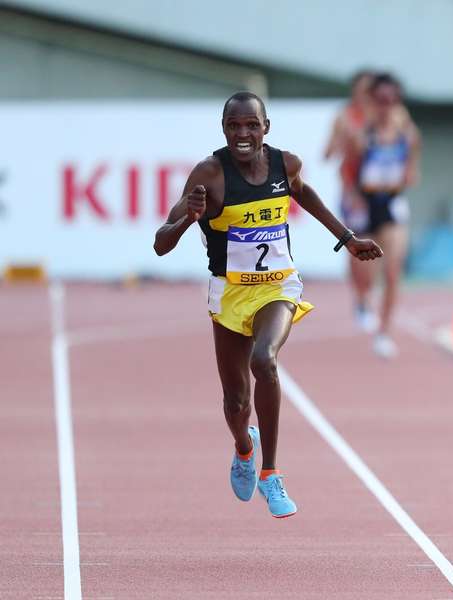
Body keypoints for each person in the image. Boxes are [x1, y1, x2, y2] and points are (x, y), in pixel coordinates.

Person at [153, 92, 382, 518]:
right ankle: (244, 446)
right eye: (234, 126)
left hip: (278, 287)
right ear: (224, 129)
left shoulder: (285, 165)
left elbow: (304, 193)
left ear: (266, 128)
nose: (243, 133)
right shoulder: (209, 174)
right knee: (235, 402)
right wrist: (188, 217)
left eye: (251, 125)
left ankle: (271, 473)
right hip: (229, 293)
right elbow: (161, 244)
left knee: (265, 360)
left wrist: (347, 239)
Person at [351, 73, 421, 358]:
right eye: (381, 100)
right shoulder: (361, 135)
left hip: (392, 204)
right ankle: (362, 298)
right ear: (372, 101)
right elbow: (347, 172)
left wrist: (407, 174)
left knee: (392, 272)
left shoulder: (407, 133)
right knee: (366, 274)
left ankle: (384, 333)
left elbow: (413, 166)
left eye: (392, 100)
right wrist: (354, 199)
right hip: (365, 205)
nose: (386, 106)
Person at [324, 70, 379, 332]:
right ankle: (361, 298)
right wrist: (343, 142)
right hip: (353, 191)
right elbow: (328, 153)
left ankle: (369, 293)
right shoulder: (344, 117)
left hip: (379, 191)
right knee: (356, 244)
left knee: (381, 245)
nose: (366, 94)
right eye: (362, 89)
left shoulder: (382, 114)